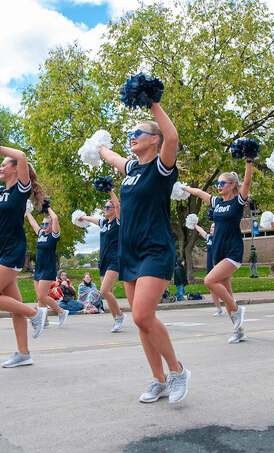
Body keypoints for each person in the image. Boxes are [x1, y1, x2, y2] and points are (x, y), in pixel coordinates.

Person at [98, 101, 190, 403]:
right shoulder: (132, 168)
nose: (132, 137)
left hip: (155, 249)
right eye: (130, 134)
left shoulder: (161, 167)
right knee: (141, 321)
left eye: (138, 133)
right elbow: (113, 157)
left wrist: (152, 103)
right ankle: (158, 380)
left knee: (142, 315)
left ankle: (178, 372)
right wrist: (98, 147)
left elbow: (172, 136)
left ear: (154, 139)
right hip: (129, 251)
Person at [0, 145, 48, 368]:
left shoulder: (20, 189)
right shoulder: (0, 192)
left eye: (3, 164)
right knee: (14, 306)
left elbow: (21, 155)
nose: (0, 168)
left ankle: (35, 313)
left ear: (15, 169)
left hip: (11, 250)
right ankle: (24, 354)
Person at [183, 160, 253, 344]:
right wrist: (182, 188)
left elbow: (246, 182)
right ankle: (239, 331)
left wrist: (248, 162)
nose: (219, 186)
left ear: (232, 185)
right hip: (218, 251)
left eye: (222, 183)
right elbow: (199, 192)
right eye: (217, 183)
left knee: (209, 280)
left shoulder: (238, 202)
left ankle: (237, 310)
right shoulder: (217, 202)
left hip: (233, 250)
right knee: (226, 293)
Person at [76, 192, 126, 331]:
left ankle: (120, 316)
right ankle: (116, 320)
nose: (105, 209)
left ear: (114, 209)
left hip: (115, 259)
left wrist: (110, 190)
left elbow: (117, 205)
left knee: (103, 291)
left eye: (108, 207)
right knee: (109, 292)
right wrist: (82, 217)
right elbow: (93, 219)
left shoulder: (118, 221)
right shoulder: (104, 222)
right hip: (103, 259)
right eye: (104, 207)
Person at [26, 207, 69, 327]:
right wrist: (27, 211)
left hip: (48, 268)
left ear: (51, 225)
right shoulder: (41, 234)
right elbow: (33, 223)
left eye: (46, 224)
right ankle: (44, 322)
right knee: (39, 297)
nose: (44, 226)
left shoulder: (54, 236)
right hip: (39, 268)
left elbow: (55, 218)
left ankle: (61, 311)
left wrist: (47, 207)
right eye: (43, 224)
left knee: (42, 296)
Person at [194, 223, 224, 316]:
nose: (212, 228)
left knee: (223, 285)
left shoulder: (220, 238)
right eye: (211, 227)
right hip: (210, 266)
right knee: (211, 287)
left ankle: (231, 302)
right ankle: (219, 308)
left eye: (214, 227)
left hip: (219, 265)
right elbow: (201, 231)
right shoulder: (209, 238)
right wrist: (194, 224)